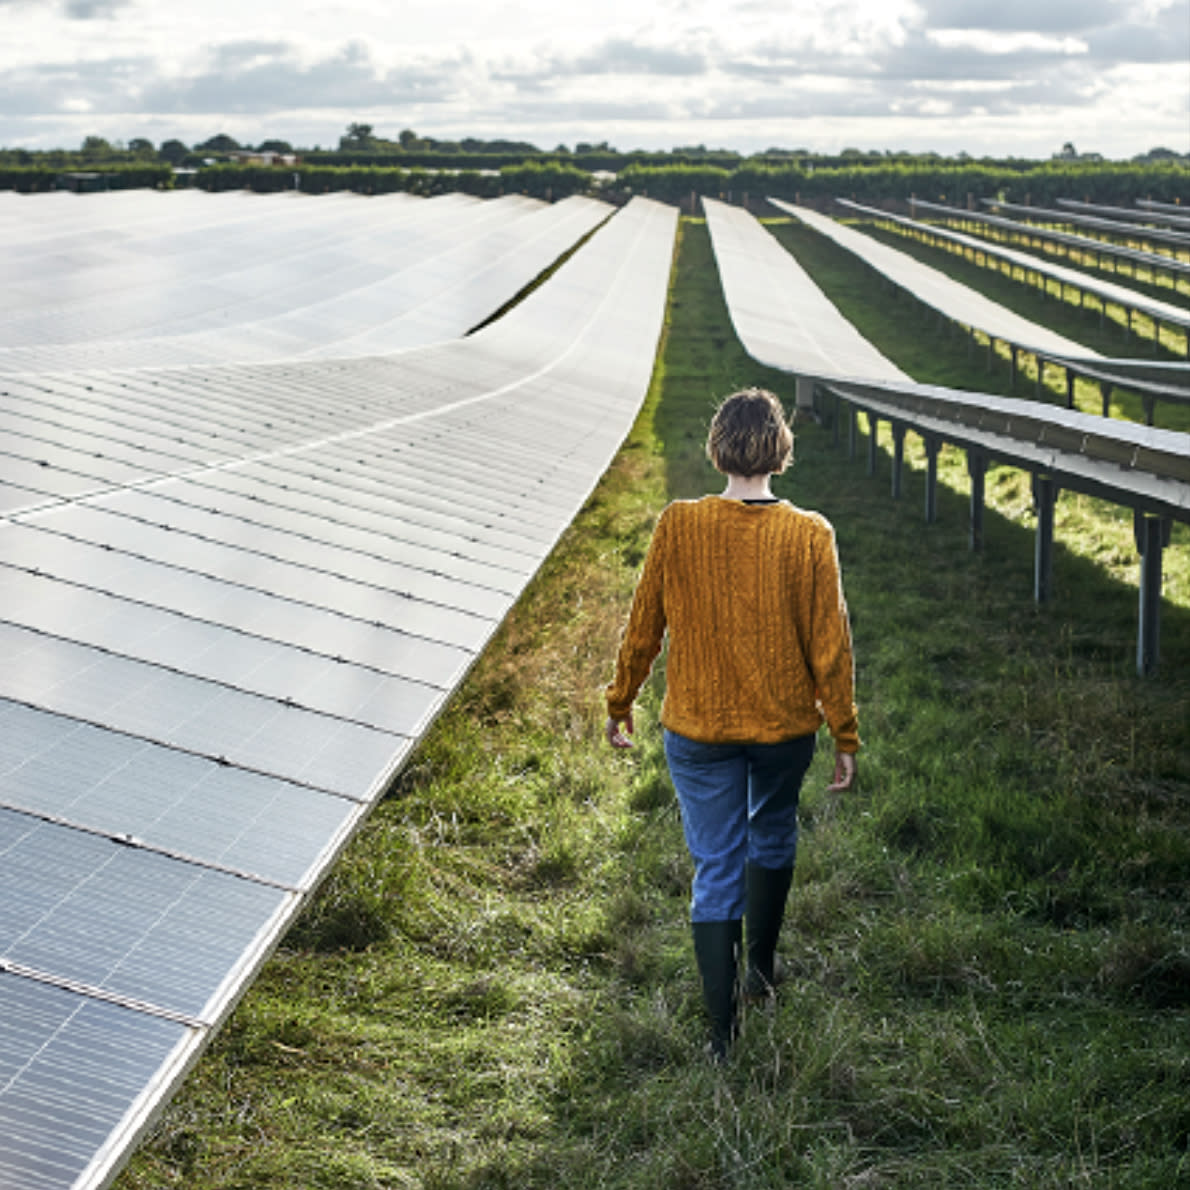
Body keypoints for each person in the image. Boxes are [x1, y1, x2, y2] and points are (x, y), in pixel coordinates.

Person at [604, 387, 859, 1060]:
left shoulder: (678, 524)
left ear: (716, 447)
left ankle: (722, 1037)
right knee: (772, 832)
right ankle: (761, 968)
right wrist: (843, 731)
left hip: (698, 729)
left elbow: (644, 625)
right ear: (781, 449)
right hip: (783, 731)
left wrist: (621, 695)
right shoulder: (810, 534)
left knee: (715, 865)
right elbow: (831, 645)